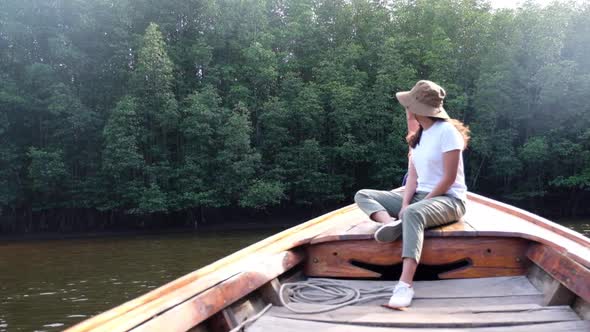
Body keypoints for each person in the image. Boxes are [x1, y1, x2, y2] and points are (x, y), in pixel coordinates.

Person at [354, 80, 470, 308]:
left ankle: (405, 285)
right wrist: (405, 203)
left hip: (449, 199)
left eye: (408, 105)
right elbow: (414, 178)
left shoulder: (448, 133)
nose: (406, 108)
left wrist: (417, 206)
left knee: (413, 214)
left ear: (417, 109)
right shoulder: (419, 136)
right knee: (363, 194)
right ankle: (389, 224)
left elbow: (448, 179)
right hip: (419, 197)